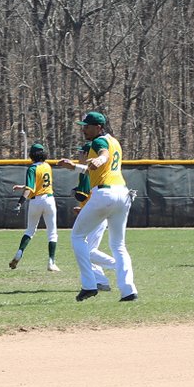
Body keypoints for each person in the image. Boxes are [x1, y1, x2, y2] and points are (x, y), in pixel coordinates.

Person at [56, 111, 138, 303]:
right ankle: (128, 291)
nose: (83, 129)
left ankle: (89, 285)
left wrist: (99, 159)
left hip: (104, 194)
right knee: (118, 245)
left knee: (77, 236)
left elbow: (103, 155)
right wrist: (74, 167)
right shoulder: (115, 141)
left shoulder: (98, 142)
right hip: (123, 193)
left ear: (99, 127)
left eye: (87, 125)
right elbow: (98, 169)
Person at [9, 142, 59, 272]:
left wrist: (20, 202)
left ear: (32, 155)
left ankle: (19, 253)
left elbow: (31, 189)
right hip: (49, 200)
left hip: (36, 201)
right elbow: (39, 184)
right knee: (52, 233)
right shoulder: (48, 166)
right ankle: (51, 262)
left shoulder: (32, 168)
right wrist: (23, 186)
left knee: (30, 231)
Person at [71, 143, 114, 292]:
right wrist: (82, 209)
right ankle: (101, 281)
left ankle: (119, 265)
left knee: (87, 251)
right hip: (98, 213)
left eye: (81, 153)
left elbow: (81, 194)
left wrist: (76, 192)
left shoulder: (86, 172)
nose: (79, 156)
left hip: (96, 216)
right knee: (89, 250)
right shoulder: (96, 172)